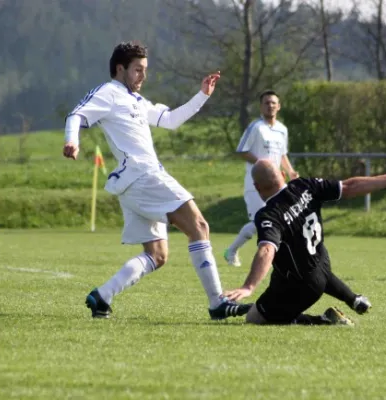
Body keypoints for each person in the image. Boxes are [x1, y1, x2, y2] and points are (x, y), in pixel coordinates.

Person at [63, 41, 251, 319]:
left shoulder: (137, 100)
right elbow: (75, 115)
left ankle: (102, 296)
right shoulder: (109, 93)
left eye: (145, 69)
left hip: (133, 183)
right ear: (120, 68)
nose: (143, 75)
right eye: (138, 69)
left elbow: (171, 120)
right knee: (199, 225)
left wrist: (202, 95)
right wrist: (71, 141)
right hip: (143, 175)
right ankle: (217, 303)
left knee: (157, 255)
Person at [224, 159, 386, 325]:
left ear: (257, 187)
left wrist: (248, 286)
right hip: (321, 262)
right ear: (283, 176)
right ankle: (353, 299)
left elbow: (267, 249)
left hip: (300, 285)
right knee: (297, 265)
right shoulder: (305, 185)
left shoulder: (268, 214)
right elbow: (349, 187)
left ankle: (323, 320)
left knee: (254, 318)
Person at [223, 90, 299, 267]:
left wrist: (291, 172)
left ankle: (283, 258)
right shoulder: (256, 127)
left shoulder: (282, 129)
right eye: (266, 103)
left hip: (278, 184)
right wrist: (263, 166)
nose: (270, 105)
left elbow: (282, 155)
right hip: (256, 184)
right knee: (259, 221)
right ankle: (231, 251)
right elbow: (242, 150)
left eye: (273, 103)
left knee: (281, 219)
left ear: (278, 106)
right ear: (260, 106)